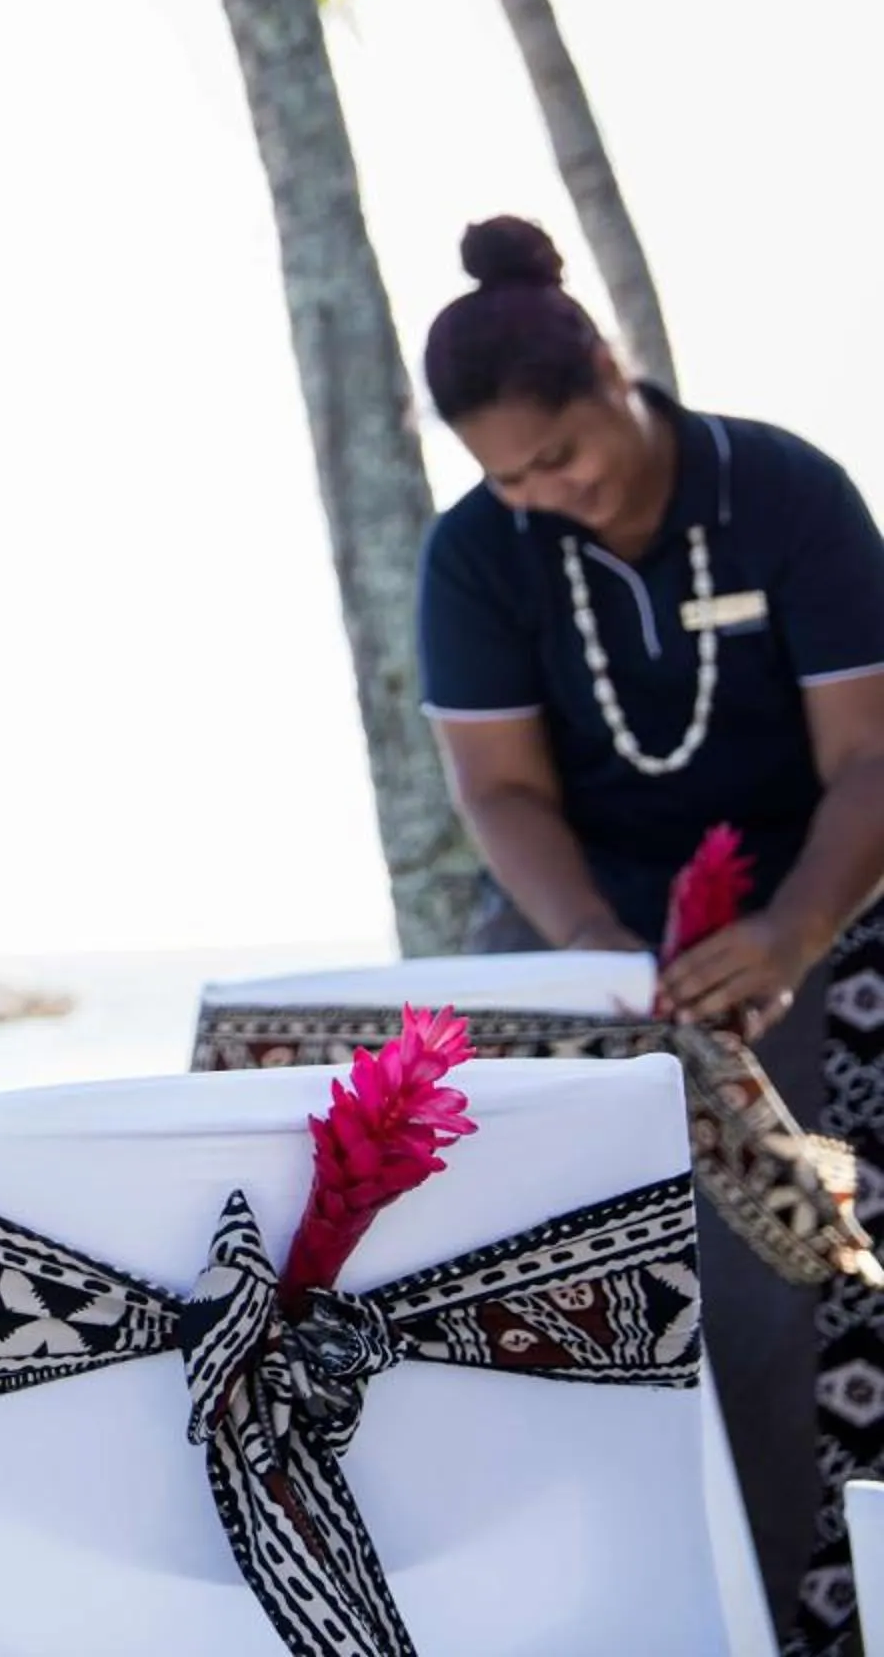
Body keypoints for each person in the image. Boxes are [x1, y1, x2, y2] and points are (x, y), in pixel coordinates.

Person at [416, 215, 884, 1646]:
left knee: (783, 1283)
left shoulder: (782, 489)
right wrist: (594, 956)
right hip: (587, 935)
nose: (544, 494)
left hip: (815, 912)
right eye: (508, 477)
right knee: (537, 1281)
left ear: (612, 376)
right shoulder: (481, 553)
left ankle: (810, 1617)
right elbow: (497, 787)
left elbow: (870, 758)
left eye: (560, 457)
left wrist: (795, 935)